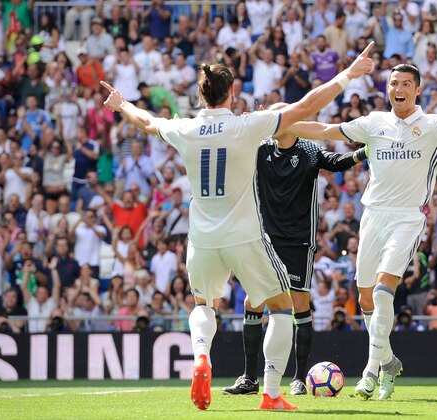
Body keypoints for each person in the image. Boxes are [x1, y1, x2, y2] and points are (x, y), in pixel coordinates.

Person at [100, 42, 374, 411]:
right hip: (244, 235)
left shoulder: (185, 129)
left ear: (201, 94)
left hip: (201, 238)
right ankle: (273, 393)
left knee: (204, 303)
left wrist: (122, 105)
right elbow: (306, 106)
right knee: (280, 306)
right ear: (232, 92)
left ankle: (201, 356)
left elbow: (147, 122)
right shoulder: (248, 125)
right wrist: (349, 73)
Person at [284, 63, 437, 400]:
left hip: (407, 218)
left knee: (385, 289)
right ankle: (389, 362)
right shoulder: (374, 122)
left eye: (405, 83)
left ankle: (370, 372)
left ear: (418, 90)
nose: (397, 89)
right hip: (372, 216)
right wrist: (279, 123)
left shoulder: (432, 126)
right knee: (365, 298)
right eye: (392, 83)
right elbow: (326, 130)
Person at [223, 103, 366, 396]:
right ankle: (250, 378)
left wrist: (364, 151)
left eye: (275, 118)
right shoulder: (259, 150)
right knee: (253, 302)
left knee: (299, 304)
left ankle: (299, 378)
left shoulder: (310, 151)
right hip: (264, 239)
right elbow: (232, 144)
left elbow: (338, 162)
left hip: (299, 240)